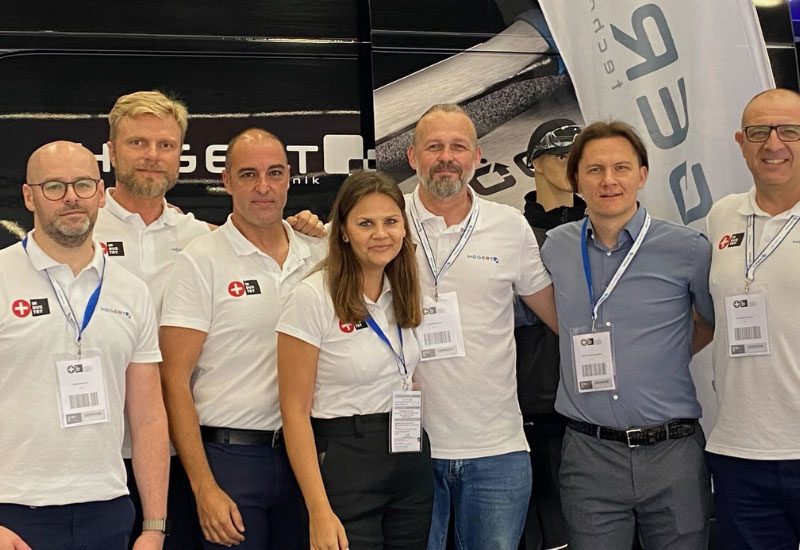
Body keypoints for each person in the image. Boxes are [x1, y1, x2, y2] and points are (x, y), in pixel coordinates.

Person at [97, 90, 324, 548]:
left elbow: (257, 234)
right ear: (111, 151)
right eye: (138, 143)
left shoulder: (196, 234)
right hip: (97, 451)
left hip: (175, 452)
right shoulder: (81, 227)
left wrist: (308, 229)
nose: (152, 156)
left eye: (165, 145)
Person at [540, 121, 714, 550]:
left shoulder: (688, 249)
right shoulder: (555, 247)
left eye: (621, 167)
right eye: (594, 169)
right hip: (589, 455)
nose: (609, 180)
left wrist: (662, 357)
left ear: (642, 174)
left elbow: (708, 324)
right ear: (576, 179)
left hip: (672, 453)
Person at [0, 141, 168, 549]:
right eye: (54, 186)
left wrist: (154, 526)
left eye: (83, 185)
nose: (71, 197)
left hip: (107, 508)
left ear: (101, 193)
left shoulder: (132, 290)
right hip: (14, 512)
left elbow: (148, 417)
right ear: (29, 197)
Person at [404, 104, 558, 550]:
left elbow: (558, 317)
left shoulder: (508, 226)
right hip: (410, 448)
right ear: (412, 157)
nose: (446, 157)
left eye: (458, 147)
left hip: (497, 449)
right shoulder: (385, 221)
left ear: (477, 155)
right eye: (434, 146)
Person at [159, 129, 321, 549]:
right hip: (231, 460)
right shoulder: (201, 260)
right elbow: (173, 379)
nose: (263, 187)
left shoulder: (318, 255)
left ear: (289, 178)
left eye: (274, 173)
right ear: (227, 181)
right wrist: (203, 487)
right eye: (249, 174)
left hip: (310, 458)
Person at [277, 170, 433, 550]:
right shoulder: (313, 296)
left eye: (391, 221)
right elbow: (294, 412)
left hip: (408, 453)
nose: (381, 234)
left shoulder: (402, 289)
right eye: (366, 224)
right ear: (343, 231)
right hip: (344, 460)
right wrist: (318, 509)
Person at [704, 88, 800, 550]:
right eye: (759, 132)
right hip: (739, 450)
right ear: (741, 143)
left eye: (790, 131)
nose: (774, 144)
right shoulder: (722, 216)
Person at [515, 118, 584, 550]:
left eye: (579, 156)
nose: (573, 165)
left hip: (598, 411)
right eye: (562, 156)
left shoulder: (608, 227)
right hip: (534, 412)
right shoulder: (510, 232)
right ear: (534, 163)